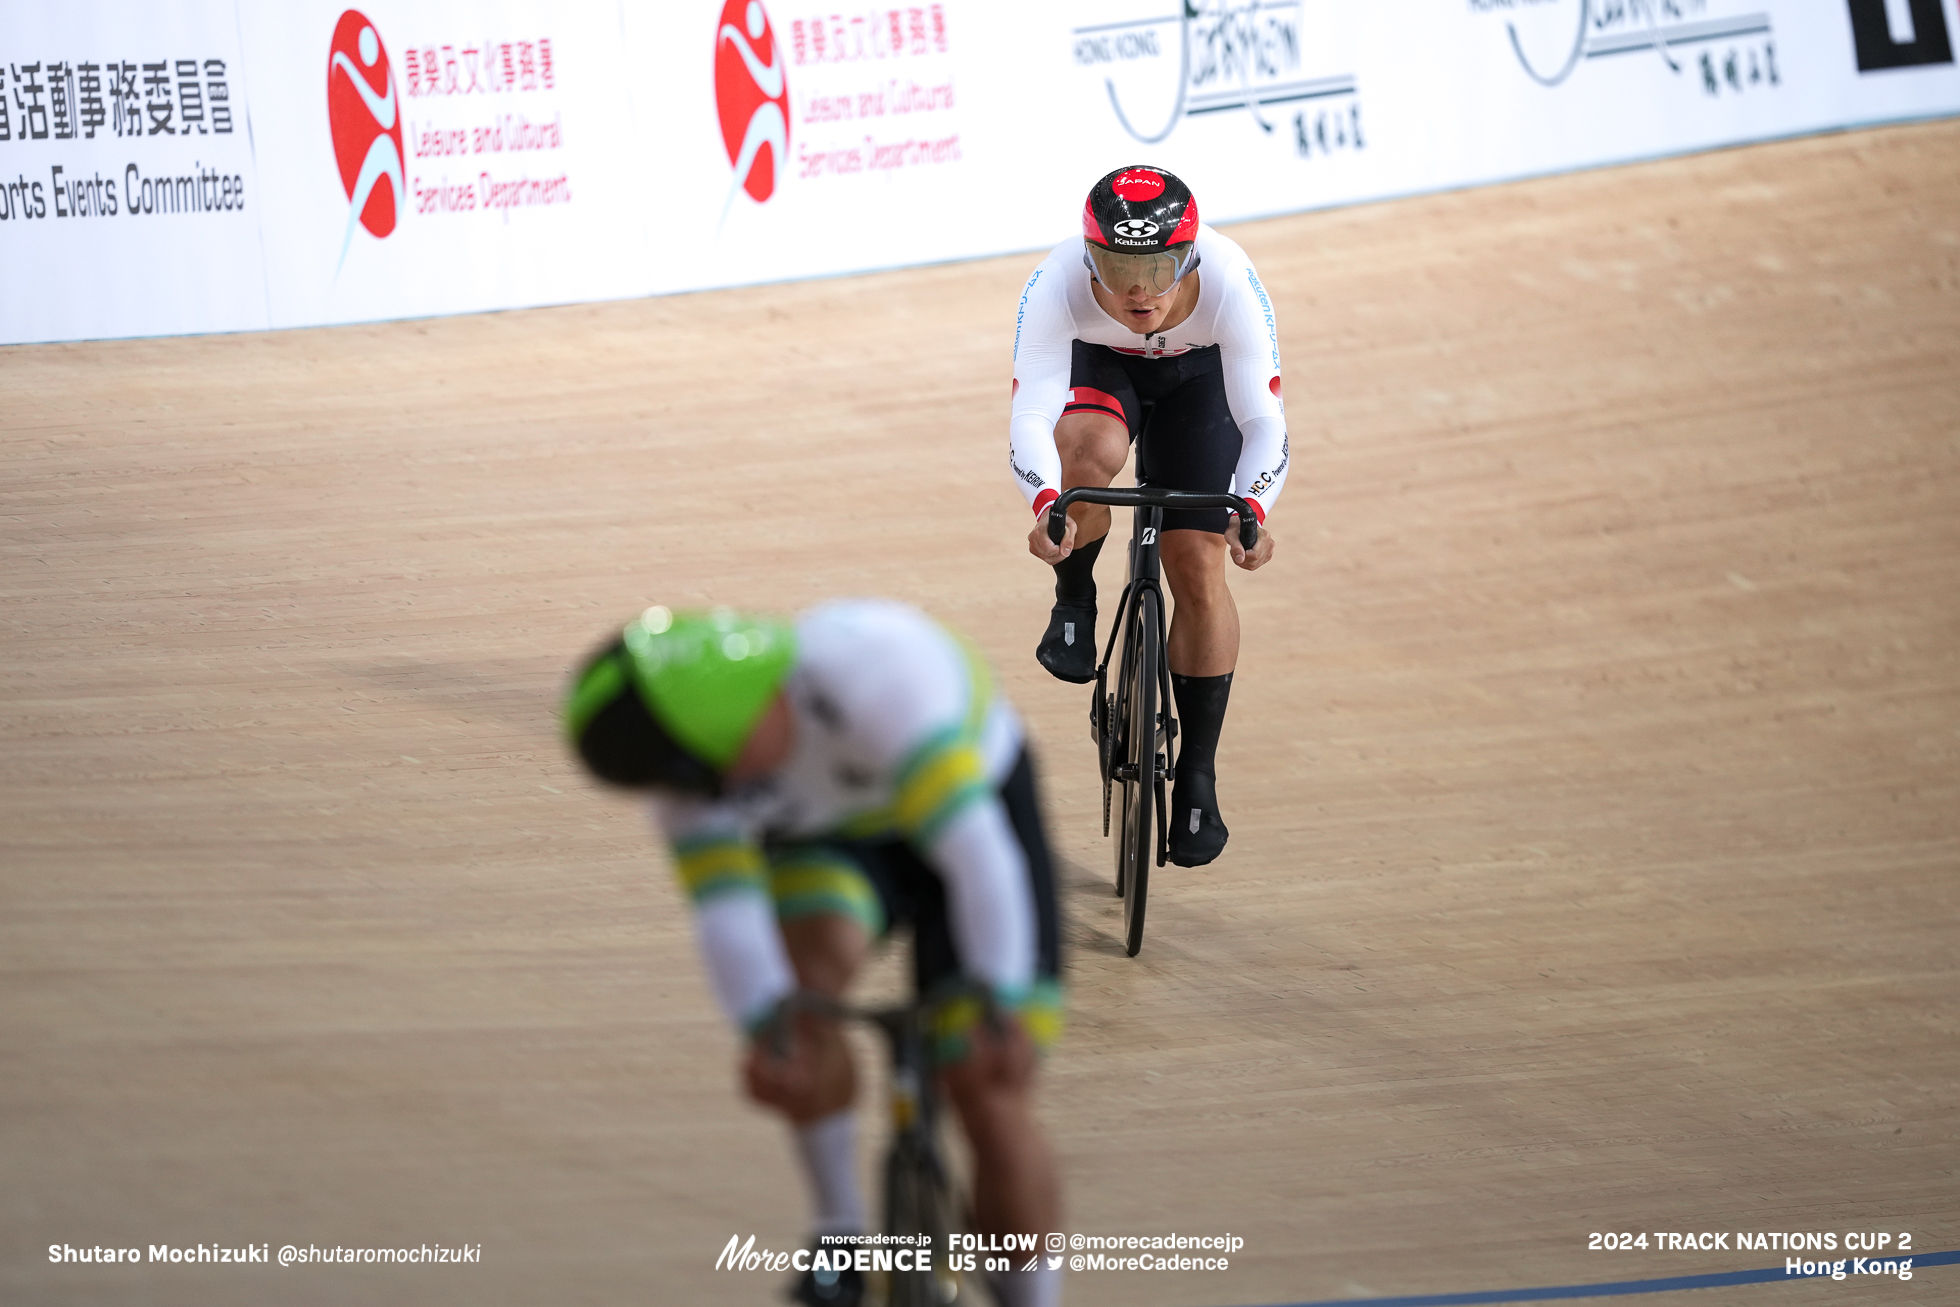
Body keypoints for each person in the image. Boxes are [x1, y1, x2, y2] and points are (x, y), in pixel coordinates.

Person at [564, 600, 1064, 1307]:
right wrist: (770, 1031)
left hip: (973, 808)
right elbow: (728, 914)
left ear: (747, 712)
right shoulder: (688, 774)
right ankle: (840, 1237)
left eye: (718, 776)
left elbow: (981, 862)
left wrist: (1001, 998)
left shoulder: (880, 675)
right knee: (800, 1007)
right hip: (835, 841)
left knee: (988, 1088)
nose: (716, 797)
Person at [1008, 163, 1288, 868]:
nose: (1139, 291)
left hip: (1202, 381)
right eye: (1116, 266)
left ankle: (1196, 770)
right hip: (1103, 368)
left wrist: (1252, 508)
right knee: (1087, 453)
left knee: (1196, 564)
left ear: (1190, 256)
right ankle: (1075, 597)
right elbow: (1032, 412)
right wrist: (1047, 503)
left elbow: (1263, 420)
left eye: (1160, 268)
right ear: (1088, 255)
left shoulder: (1230, 282)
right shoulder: (1057, 283)